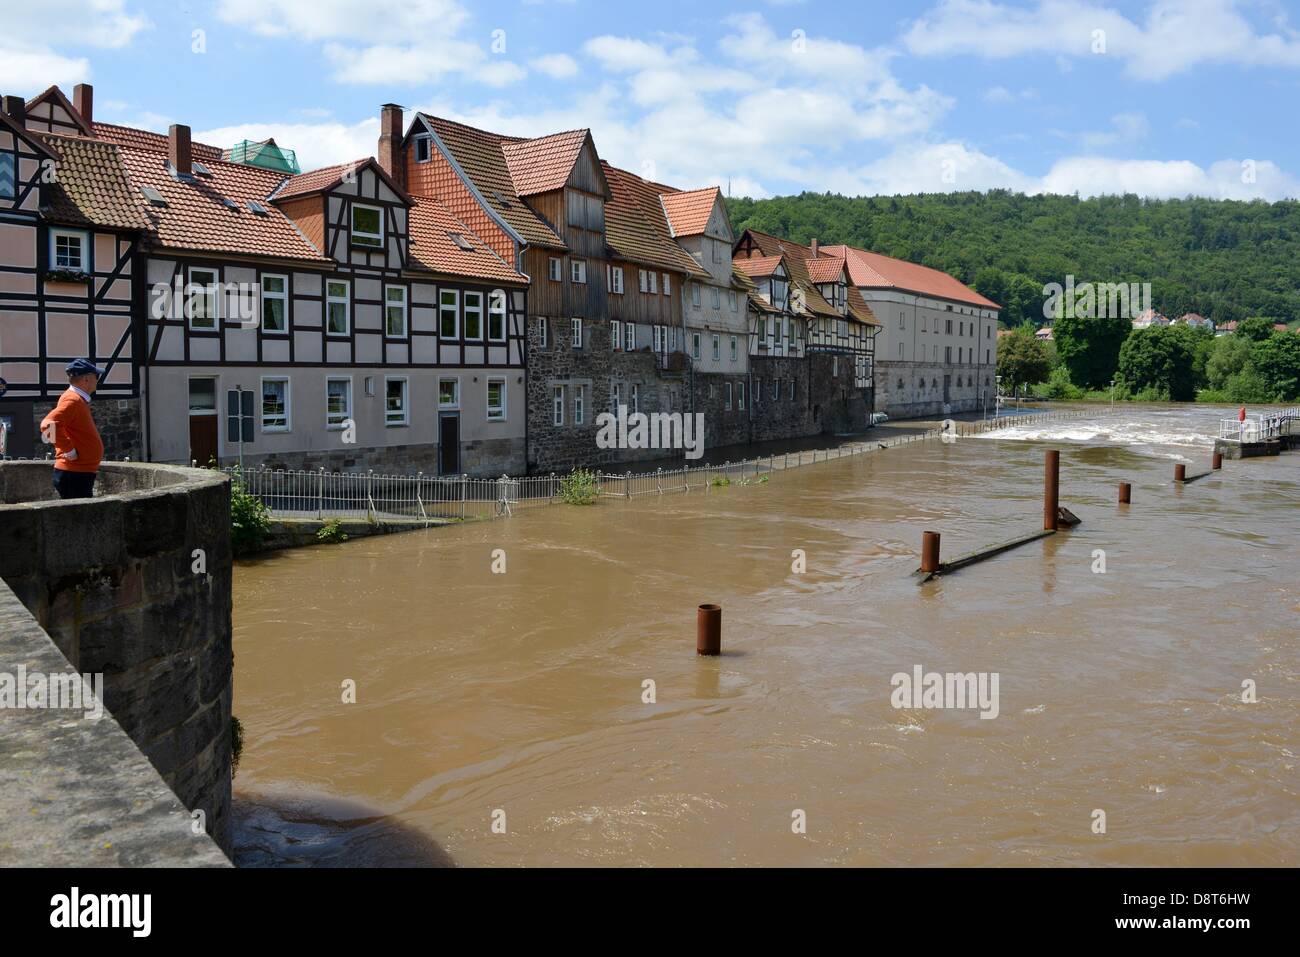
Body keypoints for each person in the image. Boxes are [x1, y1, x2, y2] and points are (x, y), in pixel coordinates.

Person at [41, 358, 105, 500]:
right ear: (86, 379)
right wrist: (68, 451)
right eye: (97, 376)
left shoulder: (75, 399)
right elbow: (47, 425)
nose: (98, 380)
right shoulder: (73, 400)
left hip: (76, 473)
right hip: (74, 474)